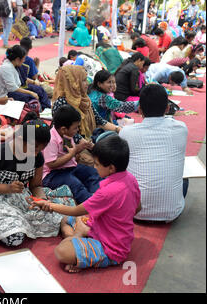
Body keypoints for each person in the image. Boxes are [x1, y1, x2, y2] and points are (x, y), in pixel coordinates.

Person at [29, 135, 141, 273]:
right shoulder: (130, 179)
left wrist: (79, 232)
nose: (94, 167)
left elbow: (76, 210)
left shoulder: (108, 192)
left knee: (61, 251)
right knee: (65, 221)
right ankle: (79, 248)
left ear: (111, 168)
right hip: (105, 230)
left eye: (97, 164)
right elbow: (138, 208)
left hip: (111, 247)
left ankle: (80, 244)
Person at [0, 114, 66, 247]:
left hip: (19, 197)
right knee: (15, 237)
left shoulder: (37, 156)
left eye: (41, 149)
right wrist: (7, 188)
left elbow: (36, 185)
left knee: (56, 217)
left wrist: (41, 199)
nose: (36, 153)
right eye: (34, 148)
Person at [119, 84, 188, 222]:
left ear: (139, 109)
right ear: (168, 108)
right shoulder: (181, 128)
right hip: (171, 213)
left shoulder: (126, 132)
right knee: (184, 180)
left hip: (134, 212)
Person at [42, 105, 102, 204]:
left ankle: (99, 196)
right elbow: (51, 164)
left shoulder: (66, 135)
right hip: (52, 175)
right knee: (75, 184)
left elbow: (68, 151)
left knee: (91, 173)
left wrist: (81, 147)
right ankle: (91, 205)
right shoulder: (51, 139)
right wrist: (72, 154)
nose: (77, 130)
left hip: (68, 168)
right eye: (75, 128)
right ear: (63, 129)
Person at [52, 65, 121, 142]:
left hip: (86, 141)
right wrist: (90, 147)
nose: (87, 83)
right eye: (83, 80)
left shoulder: (85, 99)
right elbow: (66, 135)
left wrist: (118, 129)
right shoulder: (61, 103)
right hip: (67, 146)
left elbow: (98, 120)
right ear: (74, 83)